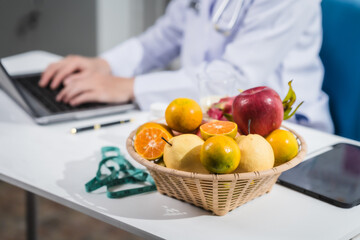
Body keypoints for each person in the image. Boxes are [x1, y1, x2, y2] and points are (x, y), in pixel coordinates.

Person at [38, 0, 334, 133]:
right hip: (211, 118)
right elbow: (164, 36)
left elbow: (236, 78)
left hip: (286, 134)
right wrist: (105, 65)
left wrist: (128, 87)